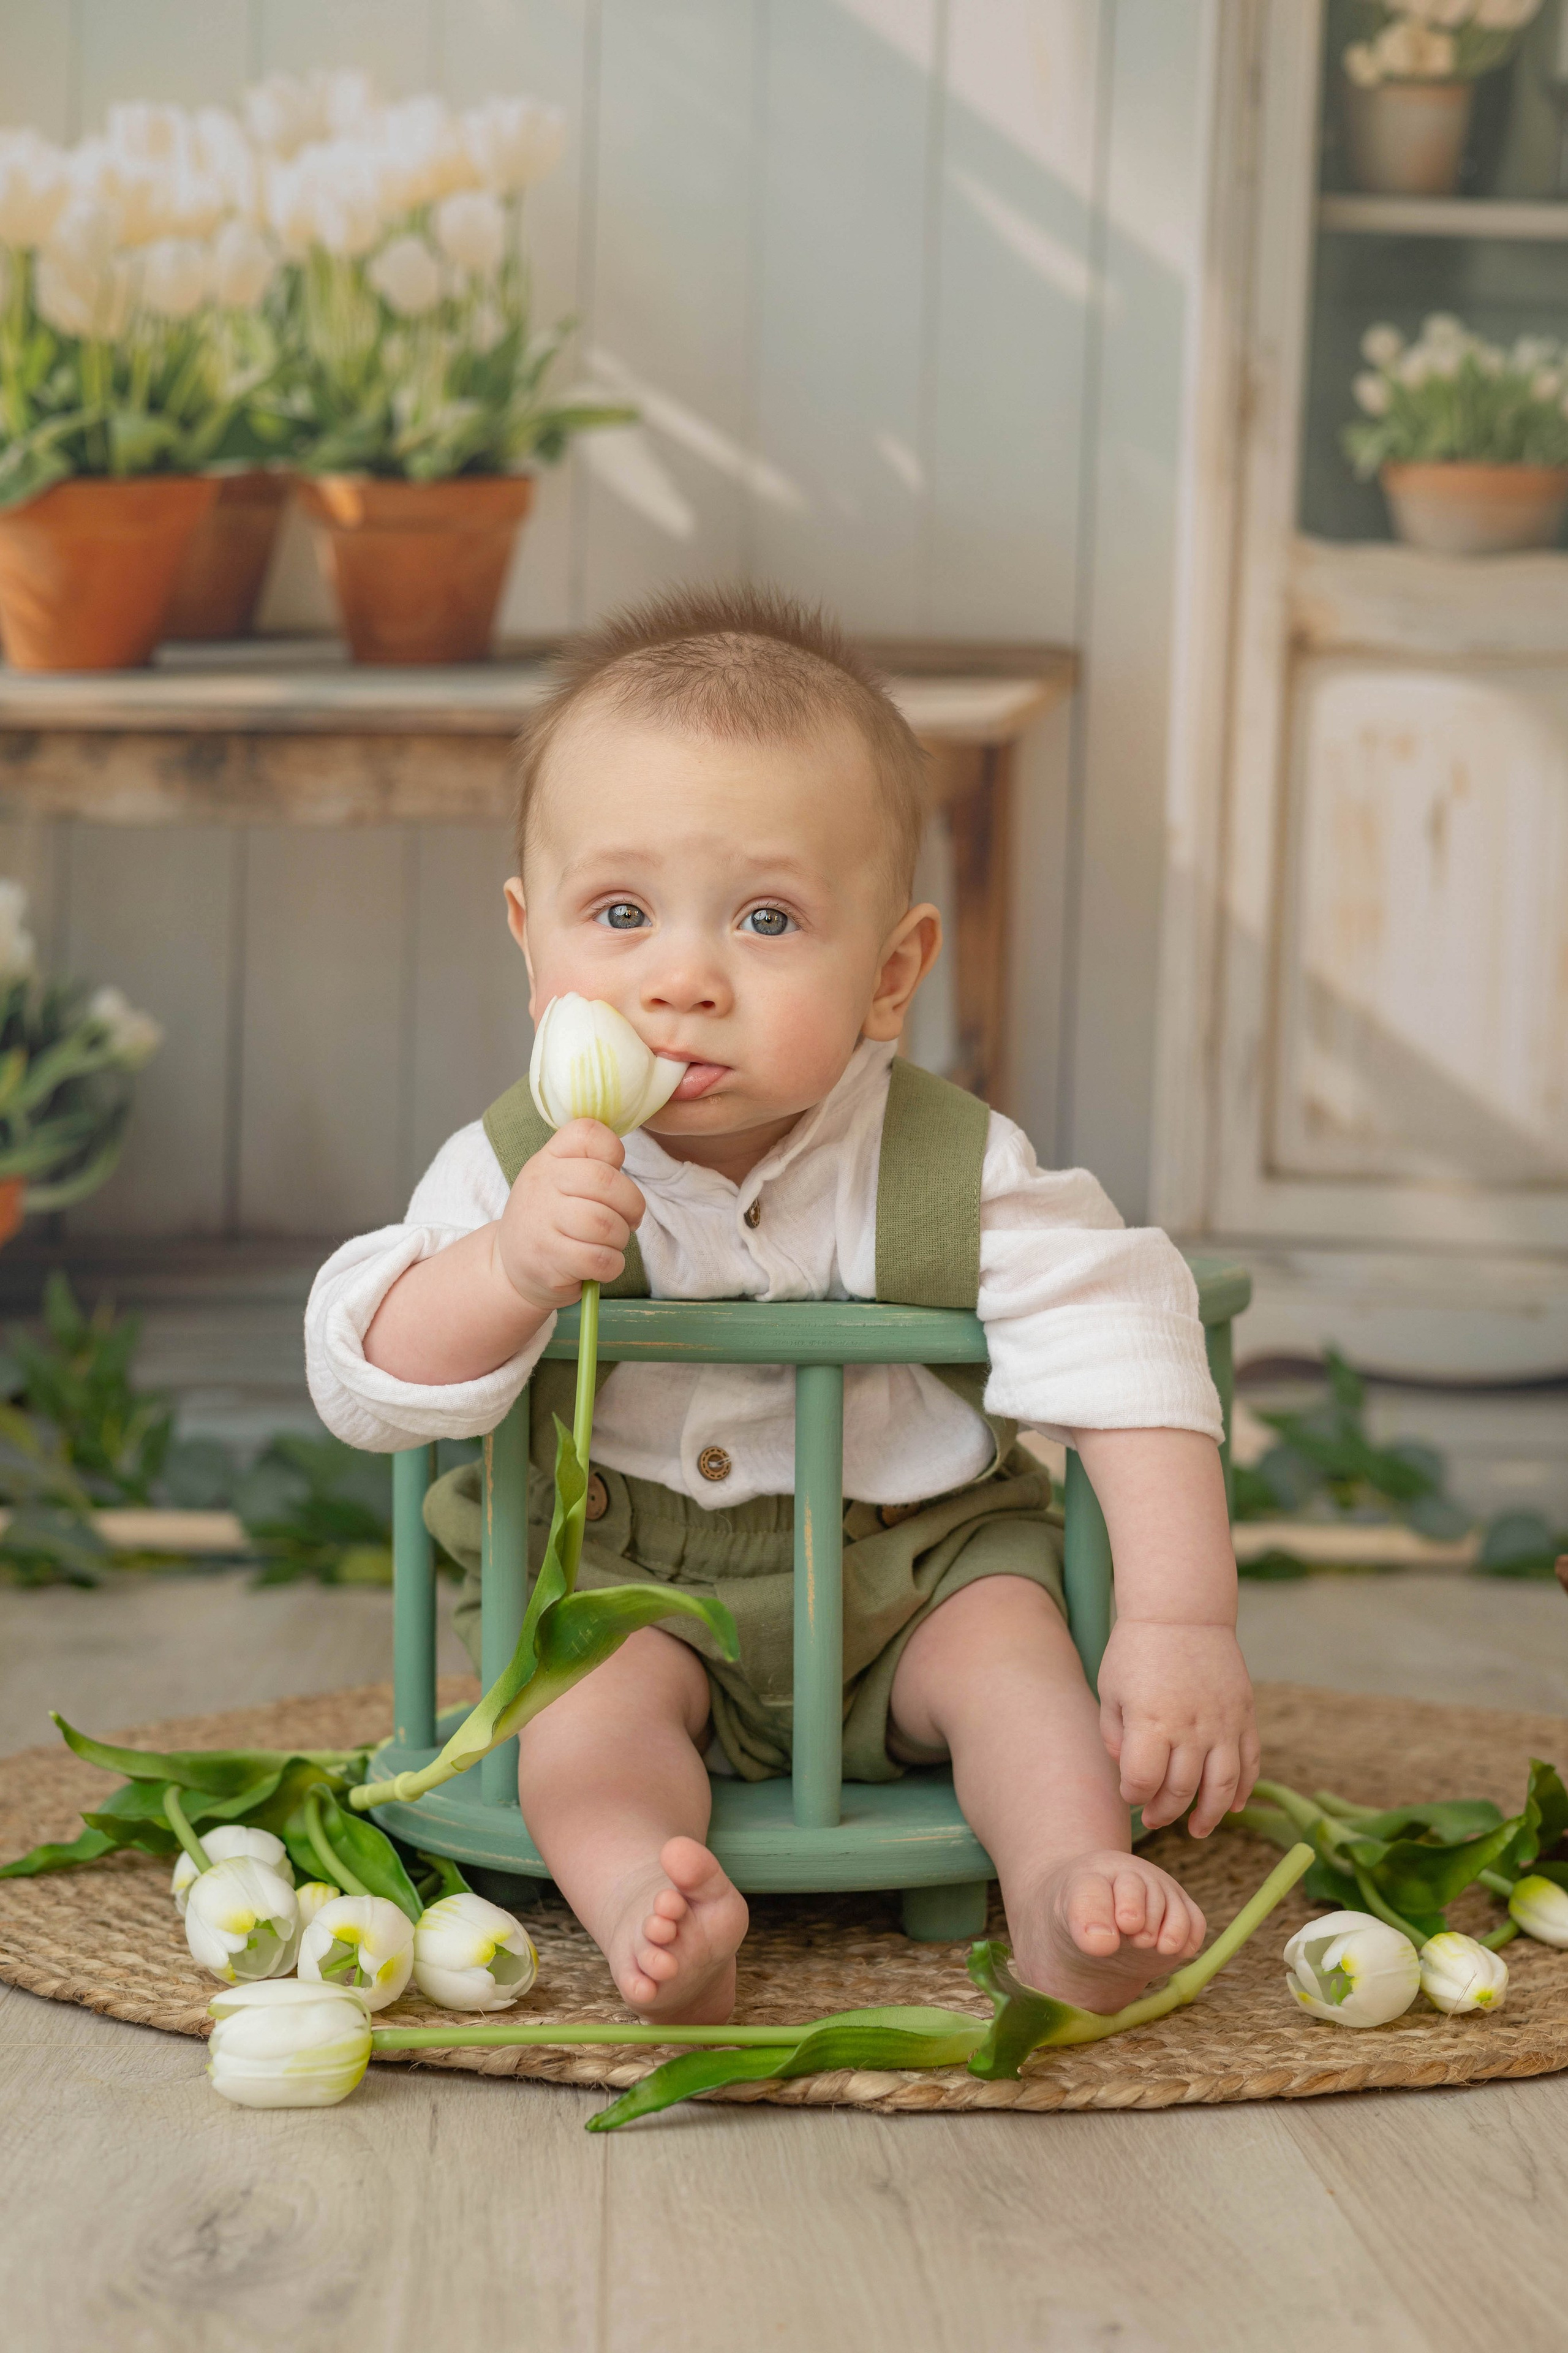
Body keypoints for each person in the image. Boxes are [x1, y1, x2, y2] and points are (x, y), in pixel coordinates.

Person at [306, 586, 1257, 2027]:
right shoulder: (509, 1167)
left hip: (909, 1573)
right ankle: (649, 1899)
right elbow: (367, 1375)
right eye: (617, 913)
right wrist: (501, 1271)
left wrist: (1179, 1618)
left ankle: (1064, 1889)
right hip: (627, 1590)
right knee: (581, 1725)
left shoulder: (945, 1164)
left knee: (1020, 1671)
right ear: (527, 938)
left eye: (765, 918)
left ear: (888, 976)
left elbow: (1123, 1329)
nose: (681, 979)